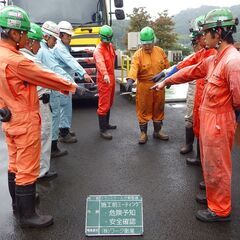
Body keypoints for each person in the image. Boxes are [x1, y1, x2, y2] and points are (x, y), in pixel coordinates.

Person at [152, 8, 240, 222]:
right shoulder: (216, 59)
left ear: (218, 33)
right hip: (211, 120)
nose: (203, 37)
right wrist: (166, 81)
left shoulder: (233, 61)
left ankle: (220, 210)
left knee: (218, 167)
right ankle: (213, 199)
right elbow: (191, 70)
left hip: (220, 121)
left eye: (206, 33)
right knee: (209, 165)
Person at [0, 6, 77, 228]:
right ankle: (28, 215)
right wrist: (72, 87)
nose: (27, 37)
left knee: (14, 165)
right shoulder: (18, 61)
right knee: (27, 168)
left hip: (10, 119)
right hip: (24, 118)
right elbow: (46, 76)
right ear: (15, 33)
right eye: (25, 33)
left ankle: (18, 205)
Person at [152, 22, 216, 164]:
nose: (199, 41)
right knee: (196, 124)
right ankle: (199, 158)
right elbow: (184, 66)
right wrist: (166, 77)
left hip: (213, 101)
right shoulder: (203, 53)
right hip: (200, 94)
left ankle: (205, 165)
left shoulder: (218, 55)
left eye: (200, 37)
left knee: (209, 135)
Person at [20, 23, 57, 181]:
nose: (39, 46)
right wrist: (73, 87)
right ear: (30, 42)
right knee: (43, 136)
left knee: (38, 139)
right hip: (39, 103)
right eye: (38, 42)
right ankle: (40, 173)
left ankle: (38, 171)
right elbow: (50, 76)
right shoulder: (30, 60)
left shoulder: (22, 56)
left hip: (34, 104)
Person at [37, 21, 76, 156]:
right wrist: (73, 84)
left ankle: (51, 146)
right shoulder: (44, 51)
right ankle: (52, 148)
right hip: (48, 90)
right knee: (51, 119)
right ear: (46, 37)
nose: (56, 41)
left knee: (53, 116)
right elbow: (56, 69)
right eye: (54, 38)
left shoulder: (45, 49)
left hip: (50, 89)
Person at [126, 26, 170, 144]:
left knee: (158, 108)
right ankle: (143, 133)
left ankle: (158, 131)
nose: (146, 46)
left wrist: (169, 80)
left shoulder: (160, 51)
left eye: (149, 44)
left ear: (153, 41)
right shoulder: (138, 54)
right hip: (144, 87)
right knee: (143, 109)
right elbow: (134, 67)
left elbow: (167, 66)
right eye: (144, 44)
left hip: (159, 85)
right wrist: (130, 79)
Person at [53, 21, 93, 143]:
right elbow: (71, 61)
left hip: (66, 81)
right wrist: (84, 73)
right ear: (61, 35)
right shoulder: (59, 47)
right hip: (62, 82)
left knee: (66, 106)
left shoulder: (62, 46)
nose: (70, 38)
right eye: (68, 36)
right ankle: (63, 133)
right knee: (64, 107)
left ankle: (64, 128)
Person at [93, 25, 117, 140]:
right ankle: (103, 130)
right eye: (105, 40)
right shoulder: (98, 50)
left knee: (110, 102)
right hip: (104, 79)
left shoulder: (110, 46)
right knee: (103, 104)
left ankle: (106, 124)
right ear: (101, 38)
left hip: (111, 77)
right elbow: (100, 63)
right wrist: (105, 74)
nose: (107, 42)